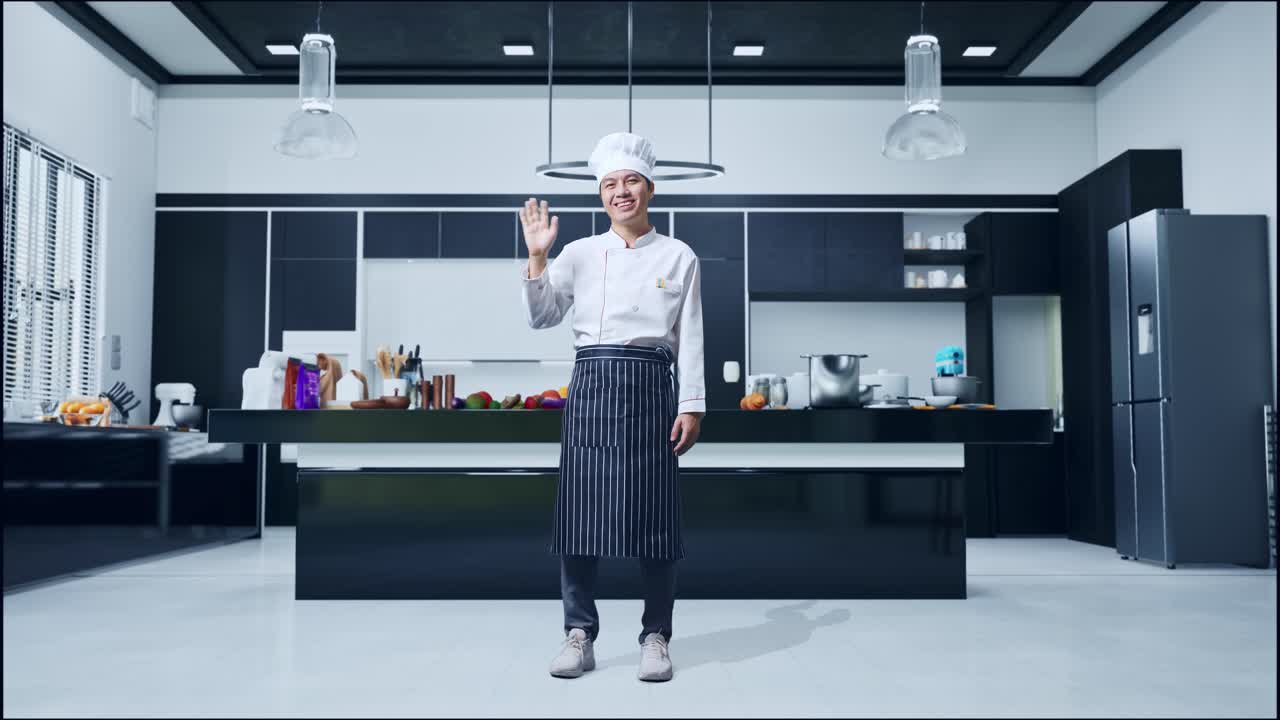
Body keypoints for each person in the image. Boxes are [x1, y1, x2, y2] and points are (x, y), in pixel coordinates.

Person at [519, 131, 706, 683]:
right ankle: (579, 635)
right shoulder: (577, 253)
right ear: (600, 195)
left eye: (629, 181)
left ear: (649, 188)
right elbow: (541, 316)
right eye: (608, 184)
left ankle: (656, 637)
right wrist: (536, 256)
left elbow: (689, 335)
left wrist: (691, 405)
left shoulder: (679, 255)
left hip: (651, 388)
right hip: (592, 387)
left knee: (656, 520)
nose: (619, 192)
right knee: (578, 517)